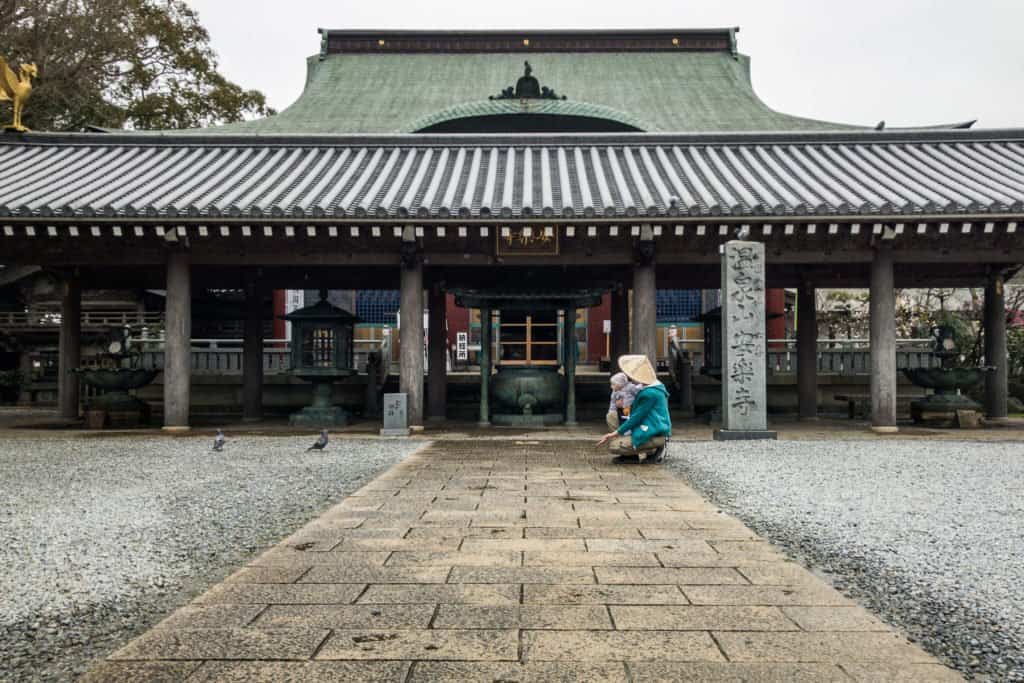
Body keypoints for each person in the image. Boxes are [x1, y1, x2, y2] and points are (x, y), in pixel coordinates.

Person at [597, 355, 672, 463]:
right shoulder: (650, 387)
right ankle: (632, 453)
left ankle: (652, 450)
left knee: (614, 446)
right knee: (612, 416)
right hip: (649, 425)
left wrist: (614, 433)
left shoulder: (650, 393)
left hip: (653, 430)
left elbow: (636, 417)